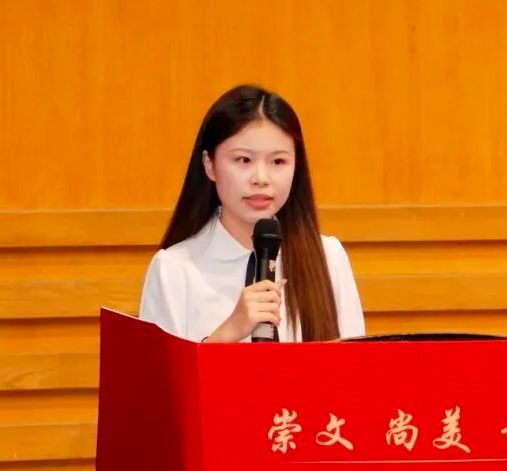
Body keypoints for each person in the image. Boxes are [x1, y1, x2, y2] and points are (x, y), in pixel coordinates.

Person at [139, 84, 365, 343]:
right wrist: (231, 330)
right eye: (244, 160)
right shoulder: (173, 269)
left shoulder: (328, 258)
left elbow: (360, 366)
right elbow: (158, 371)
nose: (261, 178)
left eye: (278, 161)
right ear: (209, 165)